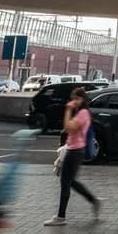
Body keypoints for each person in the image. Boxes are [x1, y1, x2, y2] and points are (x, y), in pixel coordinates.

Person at [44, 87, 101, 226]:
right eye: (73, 98)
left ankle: (61, 217)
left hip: (75, 151)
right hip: (74, 149)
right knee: (70, 181)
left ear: (82, 99)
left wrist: (68, 110)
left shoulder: (82, 113)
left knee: (66, 182)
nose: (74, 101)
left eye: (77, 99)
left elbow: (68, 128)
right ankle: (93, 200)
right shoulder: (82, 112)